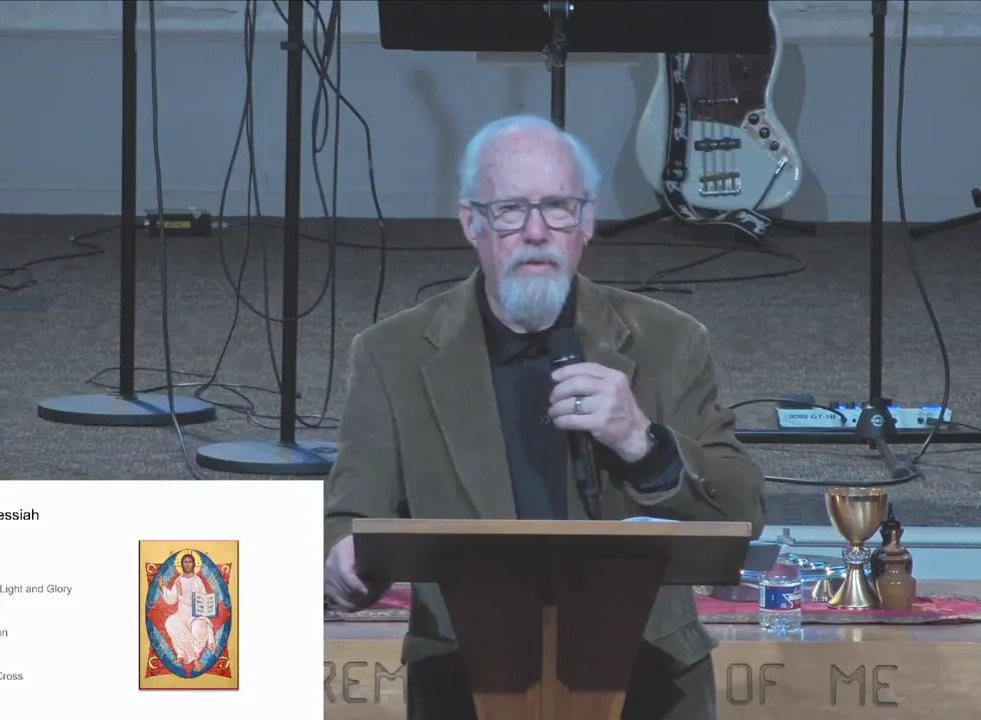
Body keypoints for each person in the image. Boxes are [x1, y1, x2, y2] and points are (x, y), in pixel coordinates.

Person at [324, 114, 767, 719]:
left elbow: (744, 513)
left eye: (558, 208)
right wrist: (344, 556)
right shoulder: (393, 355)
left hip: (646, 684)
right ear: (472, 222)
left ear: (587, 222)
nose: (536, 232)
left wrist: (644, 443)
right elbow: (348, 516)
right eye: (510, 210)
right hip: (466, 684)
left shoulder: (668, 341)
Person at [157, 553, 218, 671]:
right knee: (170, 622)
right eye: (185, 562)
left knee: (199, 626)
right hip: (181, 614)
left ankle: (188, 656)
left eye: (190, 562)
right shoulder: (178, 580)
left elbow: (203, 598)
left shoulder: (198, 581)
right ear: (181, 564)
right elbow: (172, 599)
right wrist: (163, 588)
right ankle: (185, 655)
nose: (187, 564)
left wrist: (209, 602)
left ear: (194, 564)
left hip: (195, 615)